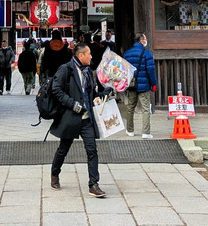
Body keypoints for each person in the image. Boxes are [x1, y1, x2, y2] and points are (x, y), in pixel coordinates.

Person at [49, 42, 110, 198]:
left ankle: (93, 184)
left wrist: (105, 94)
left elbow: (93, 94)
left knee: (92, 150)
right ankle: (54, 174)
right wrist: (72, 104)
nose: (91, 56)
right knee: (63, 149)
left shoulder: (88, 72)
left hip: (86, 118)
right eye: (89, 53)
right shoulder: (66, 69)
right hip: (71, 117)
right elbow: (56, 89)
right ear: (81, 55)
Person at [122, 32, 158, 138]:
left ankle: (129, 130)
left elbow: (124, 70)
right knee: (146, 109)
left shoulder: (127, 54)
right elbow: (151, 70)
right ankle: (145, 132)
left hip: (131, 85)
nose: (146, 40)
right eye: (145, 38)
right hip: (144, 85)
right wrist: (153, 83)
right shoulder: (147, 54)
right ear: (141, 40)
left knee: (130, 107)